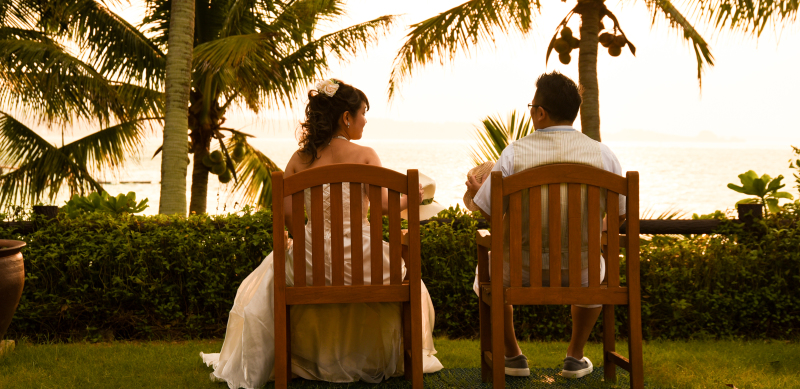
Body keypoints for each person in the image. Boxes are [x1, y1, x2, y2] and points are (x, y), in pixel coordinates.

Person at [202, 78, 443, 388]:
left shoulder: (298, 160)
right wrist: (416, 194)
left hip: (310, 264)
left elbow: (288, 219)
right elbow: (386, 207)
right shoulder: (366, 155)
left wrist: (296, 239)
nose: (365, 120)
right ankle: (374, 356)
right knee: (409, 277)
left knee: (276, 269)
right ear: (346, 117)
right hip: (368, 265)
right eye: (363, 113)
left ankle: (308, 357)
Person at [465, 71, 626, 380]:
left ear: (539, 112)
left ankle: (513, 357)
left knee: (484, 274)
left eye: (531, 107)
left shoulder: (514, 153)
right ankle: (574, 358)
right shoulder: (603, 154)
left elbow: (490, 212)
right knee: (596, 273)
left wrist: (475, 192)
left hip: (519, 270)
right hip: (583, 272)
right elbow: (618, 217)